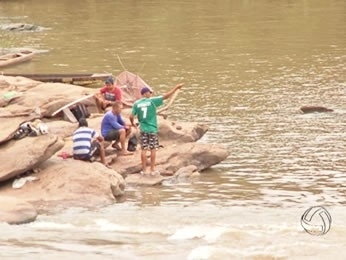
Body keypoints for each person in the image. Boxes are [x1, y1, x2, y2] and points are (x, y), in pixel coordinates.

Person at [130, 83, 183, 176]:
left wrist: (133, 124)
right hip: (152, 129)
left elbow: (131, 116)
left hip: (143, 129)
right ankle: (152, 170)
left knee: (144, 149)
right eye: (149, 93)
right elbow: (166, 96)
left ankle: (144, 170)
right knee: (153, 149)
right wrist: (175, 88)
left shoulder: (137, 103)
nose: (150, 94)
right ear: (146, 93)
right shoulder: (152, 101)